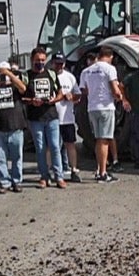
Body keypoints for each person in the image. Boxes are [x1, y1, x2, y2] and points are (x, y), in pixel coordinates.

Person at [77, 47, 125, 182]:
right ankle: (103, 173)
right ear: (110, 57)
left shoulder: (86, 71)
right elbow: (115, 90)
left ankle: (99, 169)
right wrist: (119, 96)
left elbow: (84, 90)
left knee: (98, 140)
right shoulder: (110, 69)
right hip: (106, 107)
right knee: (104, 140)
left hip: (92, 108)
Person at [22, 47, 65, 188]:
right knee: (40, 148)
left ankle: (59, 176)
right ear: (32, 60)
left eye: (42, 60)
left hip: (52, 116)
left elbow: (60, 93)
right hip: (35, 118)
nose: (40, 62)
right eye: (37, 60)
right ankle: (44, 176)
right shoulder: (26, 76)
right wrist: (32, 101)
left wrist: (54, 100)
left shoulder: (51, 74)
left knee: (55, 146)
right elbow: (21, 97)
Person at [0, 62, 28, 192]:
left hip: (16, 127)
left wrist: (9, 74)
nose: (3, 75)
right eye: (0, 72)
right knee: (0, 158)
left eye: (5, 72)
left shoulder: (15, 86)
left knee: (17, 157)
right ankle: (4, 182)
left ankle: (17, 181)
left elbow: (23, 89)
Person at [50, 54, 81, 183]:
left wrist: (72, 97)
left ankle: (73, 170)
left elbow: (78, 95)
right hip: (52, 117)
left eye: (61, 63)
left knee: (70, 144)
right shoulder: (48, 76)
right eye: (57, 63)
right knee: (52, 146)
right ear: (52, 63)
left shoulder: (70, 77)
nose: (59, 66)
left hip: (67, 118)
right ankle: (51, 172)